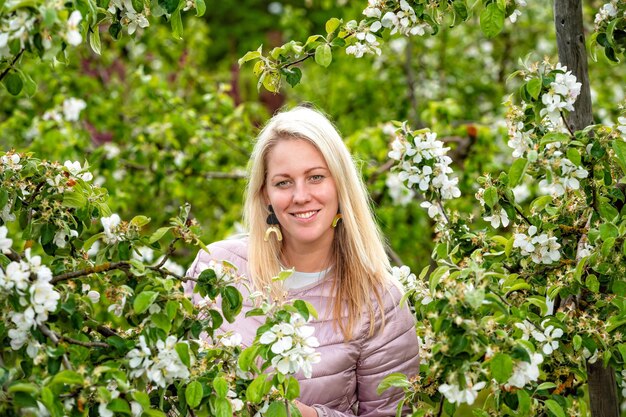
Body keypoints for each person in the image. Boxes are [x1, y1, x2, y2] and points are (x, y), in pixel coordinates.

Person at [185, 105, 419, 417]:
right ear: (265, 194)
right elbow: (179, 387)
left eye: (316, 177)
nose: (300, 196)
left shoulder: (381, 301)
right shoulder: (216, 270)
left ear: (340, 185)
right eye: (283, 182)